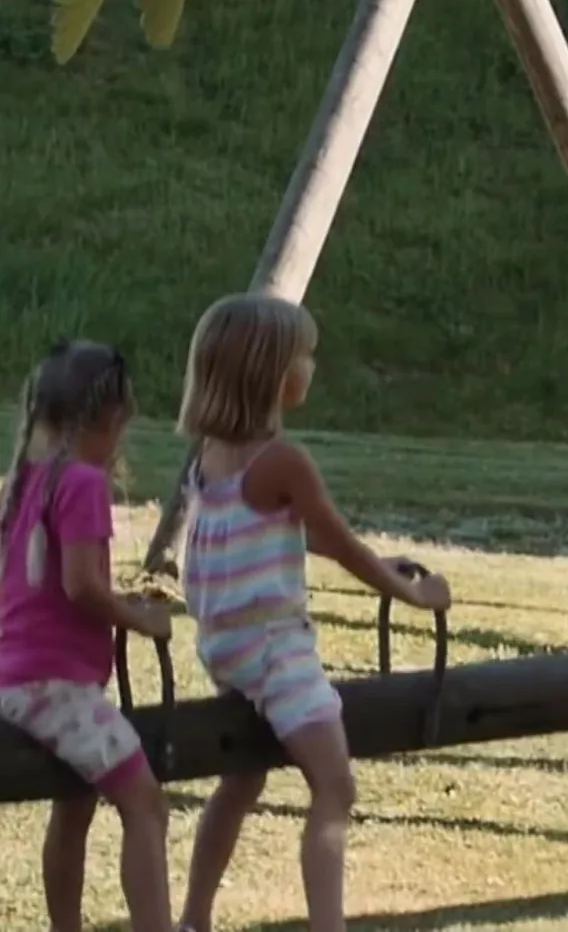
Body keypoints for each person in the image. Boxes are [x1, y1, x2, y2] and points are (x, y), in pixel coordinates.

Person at [174, 293, 452, 932]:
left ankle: (193, 919)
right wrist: (412, 593)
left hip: (223, 646)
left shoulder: (209, 454)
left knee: (240, 782)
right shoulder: (283, 461)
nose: (313, 366)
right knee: (335, 788)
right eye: (306, 355)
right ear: (275, 374)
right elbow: (342, 542)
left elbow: (299, 533)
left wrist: (382, 563)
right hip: (275, 648)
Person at [0, 340, 174, 932]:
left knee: (74, 806)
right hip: (55, 686)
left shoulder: (27, 478)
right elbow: (81, 586)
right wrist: (138, 616)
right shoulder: (82, 482)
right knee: (145, 803)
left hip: (20, 676)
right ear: (107, 419)